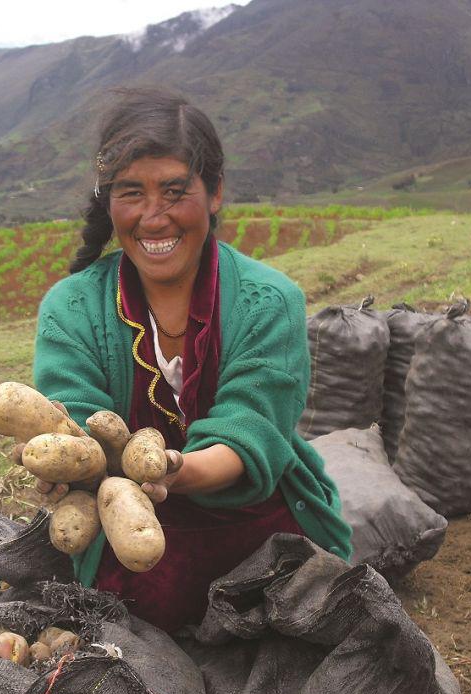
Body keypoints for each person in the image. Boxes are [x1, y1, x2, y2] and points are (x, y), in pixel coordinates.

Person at [32, 88, 352, 633]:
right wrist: (65, 465)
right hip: (130, 531)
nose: (153, 218)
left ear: (215, 192)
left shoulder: (270, 301)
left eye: (174, 192)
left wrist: (174, 471)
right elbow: (75, 424)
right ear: (109, 202)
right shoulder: (71, 308)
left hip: (262, 533)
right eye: (131, 193)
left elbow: (250, 431)